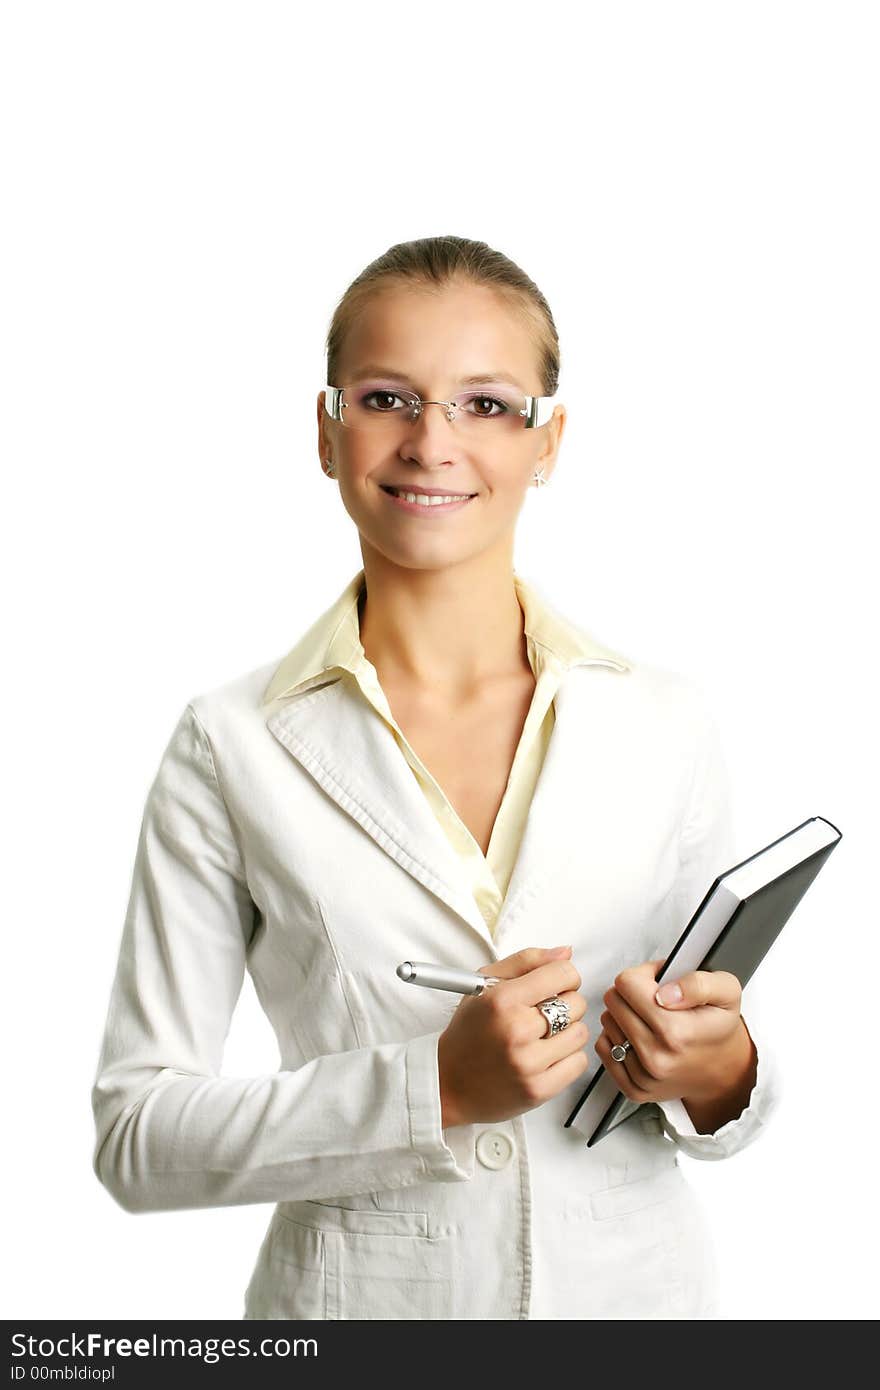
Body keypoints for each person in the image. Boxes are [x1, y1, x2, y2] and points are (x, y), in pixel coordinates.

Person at [90, 234, 781, 1320]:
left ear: (549, 439)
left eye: (486, 404)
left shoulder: (663, 722)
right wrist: (436, 1088)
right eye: (386, 397)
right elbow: (138, 1138)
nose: (430, 442)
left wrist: (718, 1067)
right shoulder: (229, 742)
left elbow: (708, 1089)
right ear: (327, 431)